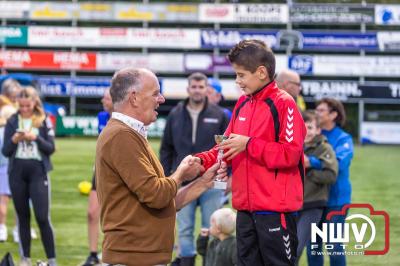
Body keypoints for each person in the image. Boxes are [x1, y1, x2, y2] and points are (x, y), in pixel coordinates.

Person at [95, 67, 227, 265]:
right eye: (155, 93)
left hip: (140, 255)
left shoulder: (129, 134)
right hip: (133, 256)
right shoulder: (121, 136)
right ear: (134, 98)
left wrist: (204, 182)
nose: (162, 99)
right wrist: (181, 173)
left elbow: (165, 202)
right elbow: (156, 196)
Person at [195, 39, 306, 266]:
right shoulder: (243, 104)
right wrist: (200, 160)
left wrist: (249, 144)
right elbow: (226, 144)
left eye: (241, 75)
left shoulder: (285, 104)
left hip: (275, 210)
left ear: (262, 72)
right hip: (244, 209)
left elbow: (292, 153)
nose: (238, 81)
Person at [160, 72, 229, 266]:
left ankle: (211, 261)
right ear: (188, 89)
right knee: (184, 228)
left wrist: (226, 177)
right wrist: (168, 176)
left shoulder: (219, 115)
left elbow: (227, 149)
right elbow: (166, 148)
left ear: (207, 89)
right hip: (182, 180)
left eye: (201, 87)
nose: (197, 91)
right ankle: (186, 261)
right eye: (194, 87)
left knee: (213, 227)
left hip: (212, 181)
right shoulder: (175, 114)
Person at [2, 87, 56, 266]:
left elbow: (50, 148)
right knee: (22, 216)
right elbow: (6, 151)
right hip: (17, 173)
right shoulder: (12, 120)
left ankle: (52, 259)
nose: (24, 109)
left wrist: (35, 138)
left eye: (28, 105)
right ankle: (25, 259)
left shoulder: (43, 120)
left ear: (34, 103)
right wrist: (14, 140)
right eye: (22, 105)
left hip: (38, 172)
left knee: (42, 217)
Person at [307, 98, 354, 266]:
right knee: (313, 247)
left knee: (334, 246)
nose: (317, 113)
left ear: (333, 115)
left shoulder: (344, 139)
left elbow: (339, 165)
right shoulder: (312, 134)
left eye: (321, 110)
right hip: (314, 199)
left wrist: (311, 162)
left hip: (336, 200)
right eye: (317, 110)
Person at [296, 110, 338, 263]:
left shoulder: (324, 148)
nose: (306, 132)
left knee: (298, 247)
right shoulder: (293, 146)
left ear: (318, 129)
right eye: (303, 127)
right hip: (291, 206)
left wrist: (309, 169)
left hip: (313, 205)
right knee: (285, 248)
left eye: (310, 127)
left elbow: (331, 176)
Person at [82, 89, 112, 266]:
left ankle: (111, 254)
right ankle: (93, 254)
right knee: (92, 213)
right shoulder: (102, 117)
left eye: (106, 98)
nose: (103, 100)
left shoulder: (126, 119)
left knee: (115, 216)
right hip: (100, 170)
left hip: (119, 173)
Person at [0, 105, 17, 242]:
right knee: (20, 202)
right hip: (14, 167)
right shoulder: (16, 132)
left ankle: (2, 228)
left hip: (3, 169)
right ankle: (18, 230)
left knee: (3, 201)